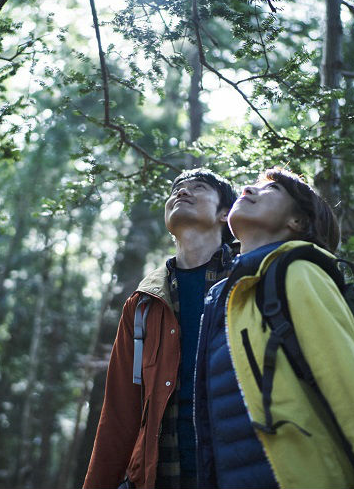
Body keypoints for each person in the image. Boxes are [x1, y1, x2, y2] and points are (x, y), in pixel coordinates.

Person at [193, 168, 354, 488]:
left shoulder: (297, 273)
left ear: (298, 222)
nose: (249, 189)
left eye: (271, 189)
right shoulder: (224, 296)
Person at [84, 169, 238, 489]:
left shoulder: (251, 280)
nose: (182, 191)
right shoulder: (143, 304)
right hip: (160, 476)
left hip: (236, 471)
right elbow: (119, 413)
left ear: (225, 214)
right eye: (177, 189)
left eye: (198, 188)